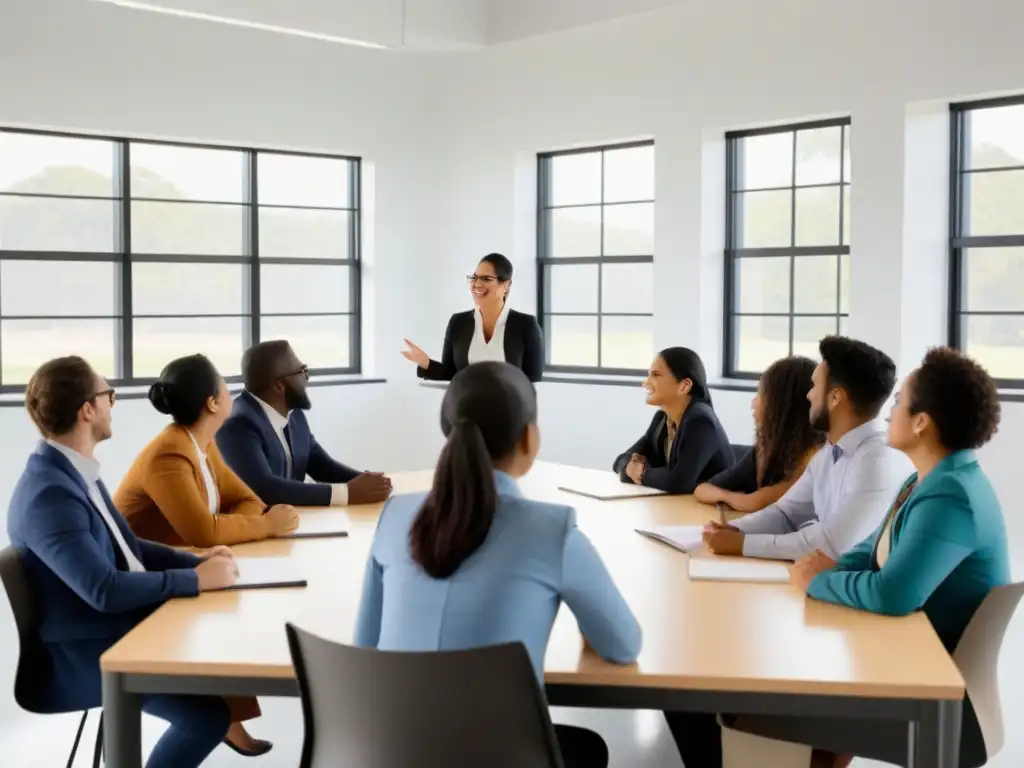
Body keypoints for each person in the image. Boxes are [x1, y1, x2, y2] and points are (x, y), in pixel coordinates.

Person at [727, 348, 1007, 768]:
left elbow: (893, 593)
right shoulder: (928, 480)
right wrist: (823, 566)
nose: (889, 411)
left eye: (899, 403)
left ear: (921, 422)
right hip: (908, 665)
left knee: (756, 708)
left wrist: (818, 580)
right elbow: (872, 549)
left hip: (937, 700)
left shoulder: (951, 496)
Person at [354, 361, 642, 768]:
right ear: (530, 437)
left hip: (392, 751)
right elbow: (624, 644)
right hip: (502, 755)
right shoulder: (551, 529)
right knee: (586, 749)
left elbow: (365, 647)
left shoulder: (396, 516)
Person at [6, 356, 238, 768]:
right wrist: (196, 582)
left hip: (118, 627)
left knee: (216, 687)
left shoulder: (75, 472)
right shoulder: (50, 494)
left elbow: (130, 548)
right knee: (207, 716)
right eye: (108, 395)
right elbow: (104, 589)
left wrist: (195, 561)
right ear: (87, 410)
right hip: (89, 650)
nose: (114, 403)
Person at [114, 354, 295, 756]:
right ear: (212, 404)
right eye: (225, 387)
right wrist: (267, 524)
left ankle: (230, 720)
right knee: (230, 596)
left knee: (234, 591)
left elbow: (245, 499)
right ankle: (225, 719)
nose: (232, 393)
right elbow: (204, 529)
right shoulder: (169, 454)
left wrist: (241, 522)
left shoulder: (201, 443)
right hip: (143, 582)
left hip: (184, 560)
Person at [703, 335, 910, 562]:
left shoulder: (875, 461)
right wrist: (735, 529)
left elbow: (831, 545)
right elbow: (785, 514)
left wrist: (743, 544)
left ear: (835, 397)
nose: (809, 395)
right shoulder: (828, 454)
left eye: (814, 386)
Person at [216, 340, 392, 507]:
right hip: (255, 530)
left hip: (291, 522)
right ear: (279, 386)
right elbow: (264, 488)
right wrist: (345, 493)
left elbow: (320, 464)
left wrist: (370, 483)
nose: (307, 379)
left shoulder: (294, 415)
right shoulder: (237, 426)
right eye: (303, 372)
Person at [694, 356, 824, 513]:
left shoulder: (819, 457)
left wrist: (729, 498)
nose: (753, 403)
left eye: (760, 395)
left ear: (781, 405)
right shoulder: (763, 449)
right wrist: (732, 498)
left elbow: (756, 502)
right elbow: (703, 489)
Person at [401, 253, 544, 383]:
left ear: (506, 285)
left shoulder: (526, 326)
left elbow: (533, 380)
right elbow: (451, 372)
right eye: (474, 278)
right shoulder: (458, 323)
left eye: (486, 279)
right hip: (466, 408)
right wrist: (425, 362)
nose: (477, 284)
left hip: (509, 410)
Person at [612, 347, 732, 494]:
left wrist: (641, 473)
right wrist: (631, 469)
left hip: (717, 512)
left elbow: (678, 481)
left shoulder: (700, 421)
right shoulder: (661, 419)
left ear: (684, 386)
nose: (646, 383)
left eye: (655, 375)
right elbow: (620, 460)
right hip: (682, 506)